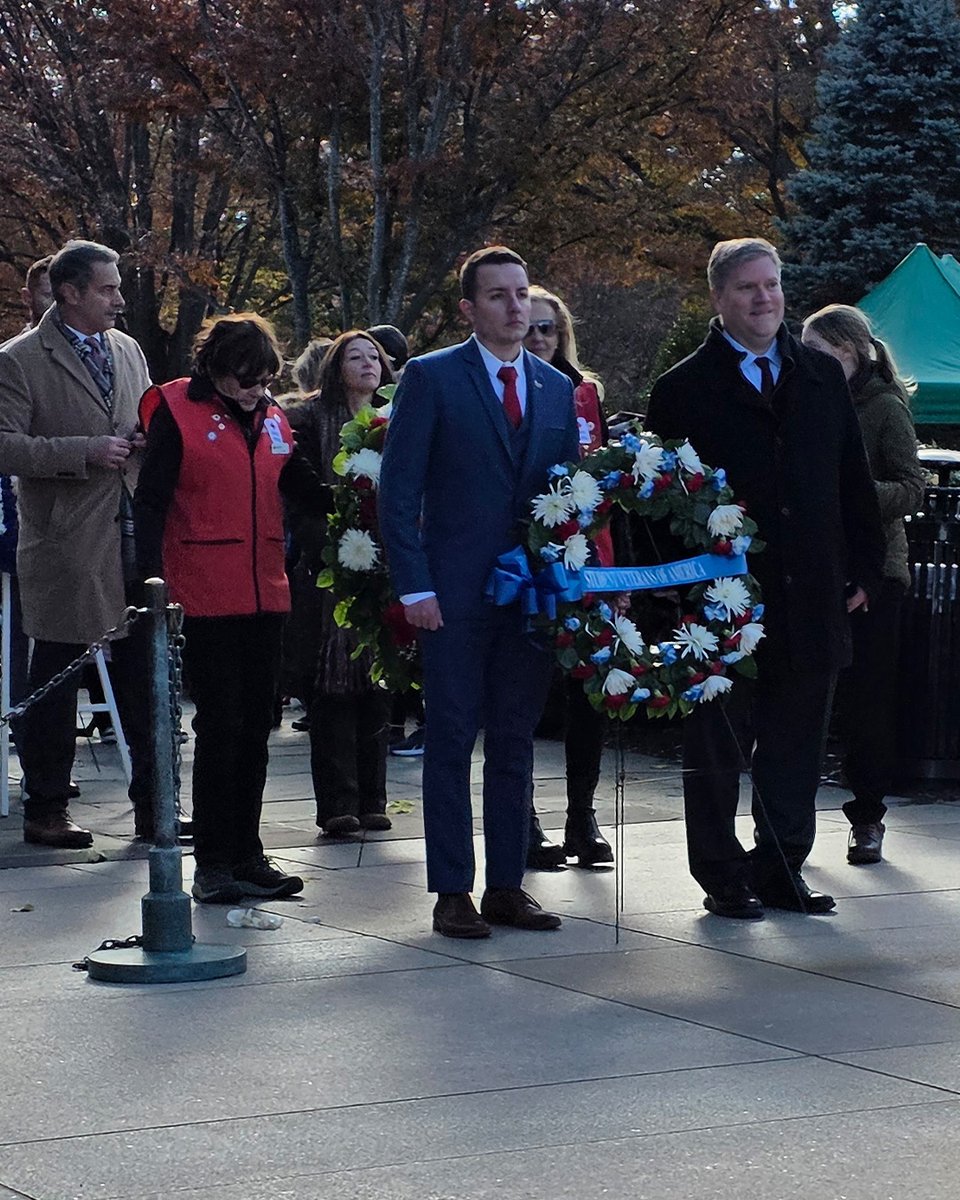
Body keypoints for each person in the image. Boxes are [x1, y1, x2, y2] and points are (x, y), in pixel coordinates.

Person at [645, 237, 885, 919]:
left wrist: (863, 567)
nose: (764, 299)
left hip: (811, 593)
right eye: (748, 288)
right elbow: (659, 499)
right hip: (721, 601)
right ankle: (722, 874)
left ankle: (782, 866)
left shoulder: (818, 376)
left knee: (795, 747)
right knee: (718, 746)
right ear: (719, 299)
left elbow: (852, 483)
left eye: (772, 285)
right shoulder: (683, 388)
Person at [379, 245, 579, 939]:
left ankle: (505, 884)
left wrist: (570, 580)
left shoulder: (555, 388)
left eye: (521, 293)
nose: (515, 306)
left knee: (516, 741)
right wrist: (415, 589)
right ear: (469, 307)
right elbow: (398, 493)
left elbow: (568, 498)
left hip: (527, 600)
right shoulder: (433, 378)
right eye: (498, 295)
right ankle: (452, 889)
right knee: (452, 739)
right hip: (454, 594)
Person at [134, 312, 329, 903]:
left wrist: (360, 494)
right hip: (202, 591)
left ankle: (249, 852)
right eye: (245, 380)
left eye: (265, 381)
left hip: (264, 591)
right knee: (220, 727)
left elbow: (296, 484)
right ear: (216, 370)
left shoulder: (272, 417)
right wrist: (149, 584)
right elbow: (151, 502)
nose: (257, 391)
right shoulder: (176, 409)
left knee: (256, 727)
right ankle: (213, 861)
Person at [0, 239, 154, 849]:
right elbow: (4, 445)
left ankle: (155, 807)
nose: (119, 300)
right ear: (69, 293)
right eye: (108, 289)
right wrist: (81, 452)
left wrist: (146, 437)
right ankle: (47, 808)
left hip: (136, 528)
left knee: (149, 676)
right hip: (65, 539)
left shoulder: (127, 349)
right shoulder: (17, 359)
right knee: (58, 677)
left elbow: (144, 415)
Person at [801, 304, 925, 865]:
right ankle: (791, 814)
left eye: (825, 353)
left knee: (868, 701)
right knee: (808, 697)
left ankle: (868, 816)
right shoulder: (804, 402)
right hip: (816, 569)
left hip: (878, 573)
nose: (815, 363)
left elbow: (911, 487)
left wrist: (850, 491)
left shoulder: (883, 409)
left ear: (852, 352)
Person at [285, 331, 395, 837]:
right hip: (327, 567)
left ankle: (375, 798)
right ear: (335, 367)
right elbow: (299, 492)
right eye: (356, 356)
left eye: (375, 356)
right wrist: (329, 542)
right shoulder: (307, 418)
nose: (369, 363)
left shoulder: (397, 416)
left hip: (388, 565)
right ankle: (337, 803)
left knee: (379, 682)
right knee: (331, 689)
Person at [521, 285, 614, 868]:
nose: (538, 338)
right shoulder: (502, 389)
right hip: (524, 564)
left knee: (590, 696)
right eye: (529, 328)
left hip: (588, 563)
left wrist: (615, 575)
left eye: (547, 329)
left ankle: (581, 815)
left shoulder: (584, 394)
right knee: (526, 695)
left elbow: (603, 487)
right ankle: (522, 816)